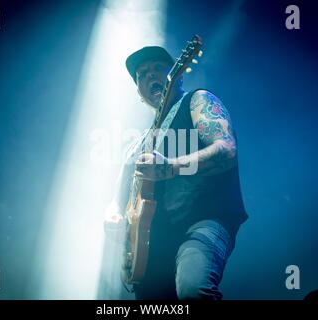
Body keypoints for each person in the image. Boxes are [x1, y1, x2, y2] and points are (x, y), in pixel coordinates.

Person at [104, 46, 248, 300]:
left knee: (193, 291)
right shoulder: (137, 145)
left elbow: (226, 150)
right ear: (139, 92)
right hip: (152, 245)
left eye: (158, 67)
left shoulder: (198, 100)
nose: (150, 75)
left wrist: (171, 167)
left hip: (202, 221)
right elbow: (117, 200)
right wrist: (114, 218)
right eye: (142, 74)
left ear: (177, 74)